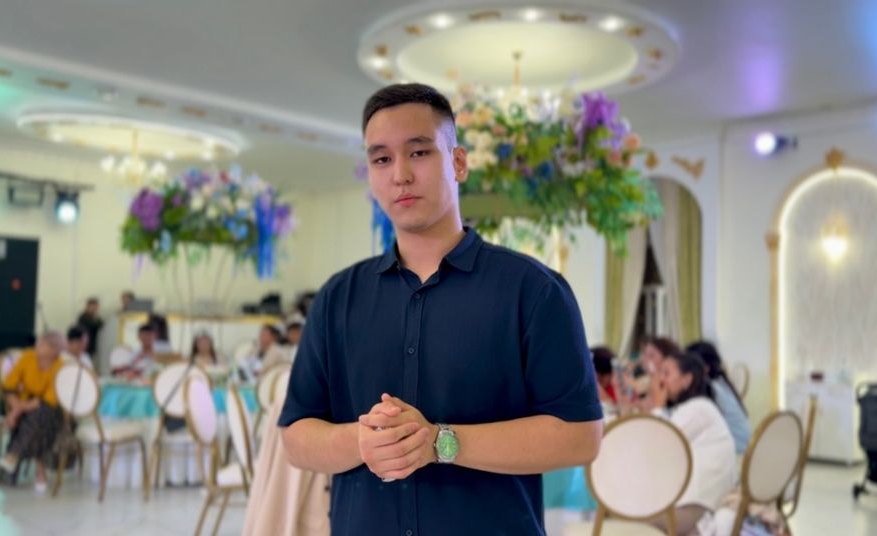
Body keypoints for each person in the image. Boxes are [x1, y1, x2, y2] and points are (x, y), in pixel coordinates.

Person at [278, 83, 603, 535]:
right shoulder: (337, 297)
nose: (400, 175)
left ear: (458, 162)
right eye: (381, 159)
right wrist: (362, 441)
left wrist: (440, 442)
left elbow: (580, 436)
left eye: (419, 152)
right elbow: (295, 438)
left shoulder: (533, 290)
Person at [649, 351, 737, 535]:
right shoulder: (696, 407)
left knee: (619, 514)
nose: (661, 380)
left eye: (666, 373)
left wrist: (657, 406)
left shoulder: (698, 409)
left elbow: (659, 445)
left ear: (687, 379)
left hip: (696, 508)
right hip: (700, 502)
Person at [0, 331, 67, 493]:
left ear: (54, 350)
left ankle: (13, 456)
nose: (37, 345)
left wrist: (16, 412)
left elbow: (48, 400)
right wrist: (16, 409)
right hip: (22, 404)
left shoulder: (60, 366)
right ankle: (39, 468)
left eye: (42, 344)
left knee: (39, 415)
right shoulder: (28, 357)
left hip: (51, 410)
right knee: (34, 420)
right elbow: (9, 386)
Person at [686, 340, 751, 454]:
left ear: (705, 368)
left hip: (736, 451)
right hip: (743, 446)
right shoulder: (720, 382)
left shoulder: (711, 390)